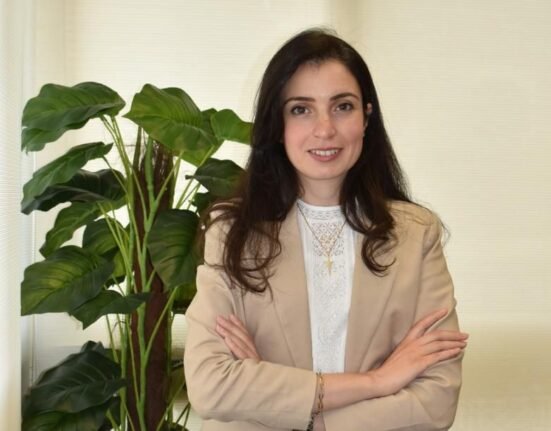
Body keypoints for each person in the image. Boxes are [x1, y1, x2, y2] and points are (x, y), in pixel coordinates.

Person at [184, 28, 468, 431]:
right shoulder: (232, 234)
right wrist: (377, 382)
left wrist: (277, 399)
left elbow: (435, 403)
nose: (324, 129)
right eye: (301, 109)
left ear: (366, 117)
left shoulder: (416, 235)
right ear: (277, 124)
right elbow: (211, 387)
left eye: (342, 106)